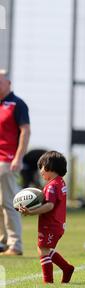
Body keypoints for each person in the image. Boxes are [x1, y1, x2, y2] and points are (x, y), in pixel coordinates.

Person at [19, 151, 74, 284]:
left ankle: (48, 281)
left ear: (50, 166)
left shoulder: (51, 186)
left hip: (50, 224)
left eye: (42, 167)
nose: (40, 171)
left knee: (43, 250)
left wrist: (31, 212)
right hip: (57, 224)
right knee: (43, 249)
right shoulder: (60, 182)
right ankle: (66, 268)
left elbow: (49, 206)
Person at [0, 69, 30, 255]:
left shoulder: (17, 104)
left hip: (7, 159)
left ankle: (15, 244)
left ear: (8, 83)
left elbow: (25, 131)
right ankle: (3, 242)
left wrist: (19, 157)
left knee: (9, 202)